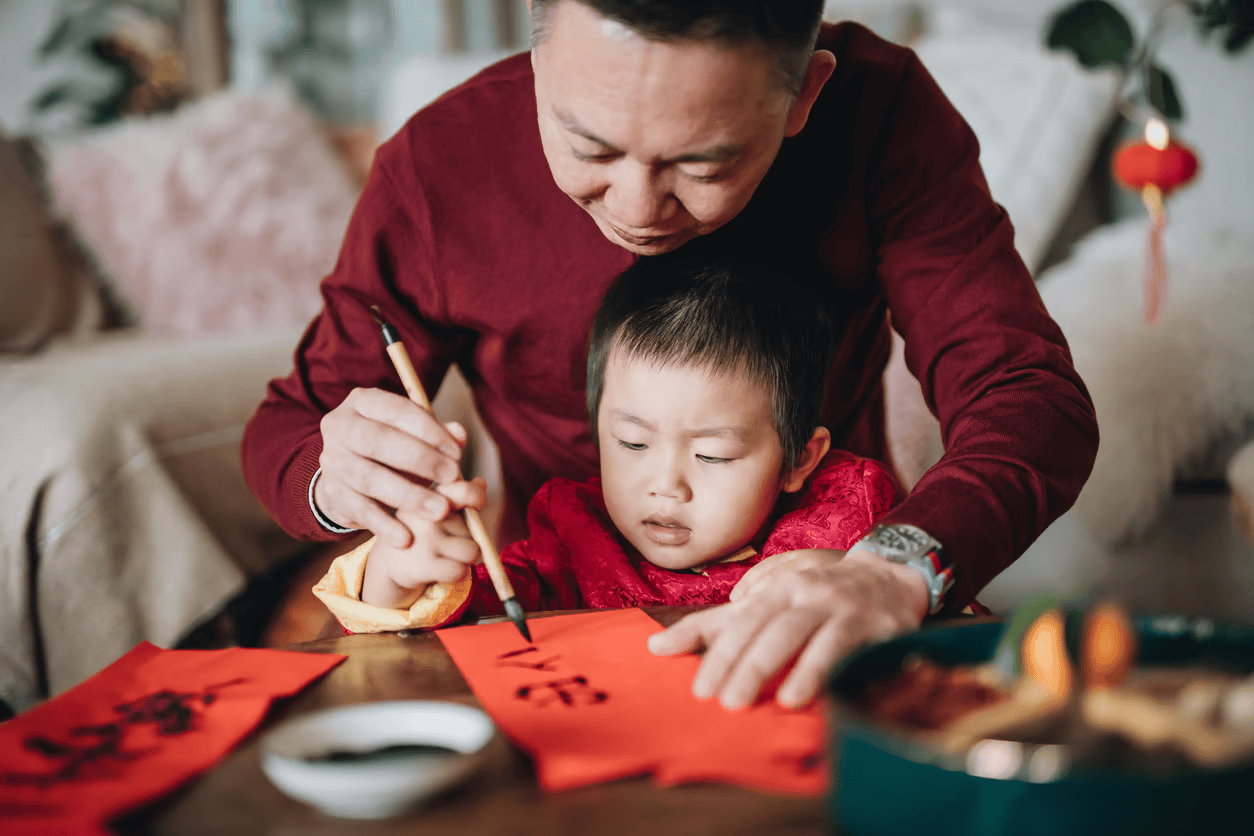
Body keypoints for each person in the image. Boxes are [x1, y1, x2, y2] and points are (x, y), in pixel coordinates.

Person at [242, 0, 1098, 711]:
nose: (638, 207)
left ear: (804, 97)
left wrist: (898, 568)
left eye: (702, 161)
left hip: (826, 597)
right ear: (539, 58)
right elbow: (288, 427)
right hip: (555, 621)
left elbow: (1027, 395)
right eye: (590, 148)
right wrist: (338, 472)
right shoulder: (439, 166)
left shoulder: (879, 114)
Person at [313, 255, 899, 636]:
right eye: (632, 442)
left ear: (799, 458)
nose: (665, 484)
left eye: (713, 454)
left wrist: (864, 576)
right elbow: (462, 619)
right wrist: (401, 569)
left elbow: (949, 627)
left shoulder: (845, 525)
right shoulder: (574, 541)